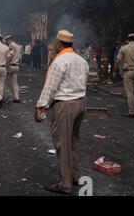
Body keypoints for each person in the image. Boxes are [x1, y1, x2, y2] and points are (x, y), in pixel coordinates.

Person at [35, 30, 89, 195]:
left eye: (55, 42)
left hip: (65, 106)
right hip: (81, 103)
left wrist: (41, 107)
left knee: (62, 144)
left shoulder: (59, 62)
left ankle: (65, 184)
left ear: (59, 43)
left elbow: (50, 87)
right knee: (72, 142)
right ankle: (75, 176)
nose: (54, 44)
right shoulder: (81, 61)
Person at [114, 34, 134, 118]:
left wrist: (114, 71)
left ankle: (132, 112)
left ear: (128, 39)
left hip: (128, 71)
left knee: (130, 92)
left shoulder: (124, 48)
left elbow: (118, 61)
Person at [5, 35, 21, 103]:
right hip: (16, 65)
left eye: (7, 40)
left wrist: (7, 64)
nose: (6, 42)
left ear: (10, 39)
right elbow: (20, 57)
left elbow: (10, 56)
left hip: (10, 65)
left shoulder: (11, 45)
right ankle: (17, 98)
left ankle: (3, 96)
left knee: (1, 80)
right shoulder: (18, 46)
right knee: (15, 83)